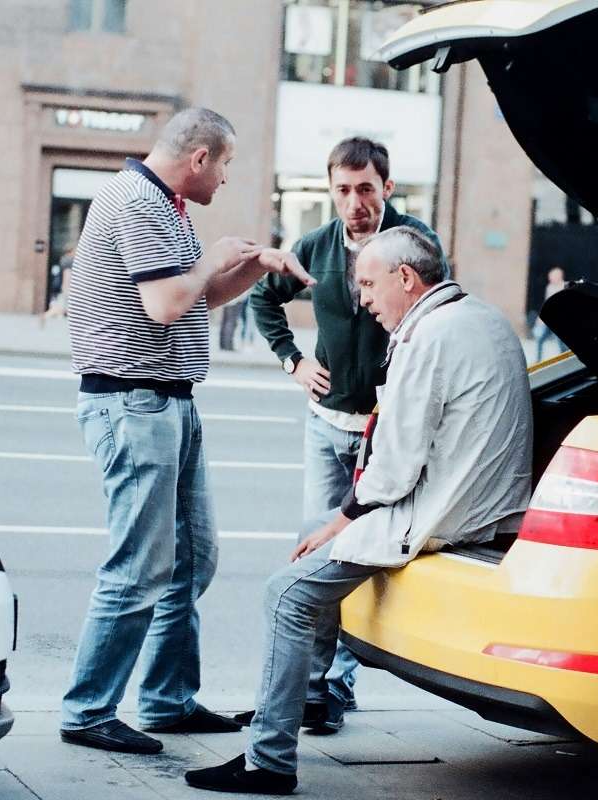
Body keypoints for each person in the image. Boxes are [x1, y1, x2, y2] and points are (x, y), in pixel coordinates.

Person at [185, 227, 533, 795]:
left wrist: (338, 523)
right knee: (308, 583)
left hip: (438, 515)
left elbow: (393, 469)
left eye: (369, 285)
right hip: (479, 507)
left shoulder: (430, 340)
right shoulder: (484, 318)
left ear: (406, 278)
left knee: (286, 594)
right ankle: (313, 699)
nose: (364, 299)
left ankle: (268, 761)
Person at [60, 107, 315, 756]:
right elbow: (167, 302)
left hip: (169, 402)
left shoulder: (164, 204)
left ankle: (166, 700)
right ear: (199, 157)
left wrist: (256, 265)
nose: (227, 178)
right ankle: (88, 710)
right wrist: (213, 259)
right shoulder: (137, 203)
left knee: (191, 559)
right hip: (133, 405)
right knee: (139, 566)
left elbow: (197, 298)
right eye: (226, 163)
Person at [247, 136, 447, 732]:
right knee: (317, 550)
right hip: (323, 426)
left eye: (365, 188)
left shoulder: (416, 246)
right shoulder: (315, 247)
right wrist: (293, 361)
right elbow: (263, 301)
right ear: (330, 191)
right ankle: (312, 689)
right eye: (342, 190)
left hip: (382, 434)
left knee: (355, 555)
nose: (354, 201)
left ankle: (335, 684)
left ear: (387, 186)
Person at [532, 266, 568, 361]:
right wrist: (540, 318)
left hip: (559, 319)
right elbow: (546, 303)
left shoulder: (564, 286)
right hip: (549, 319)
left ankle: (564, 360)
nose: (550, 279)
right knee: (540, 339)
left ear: (559, 276)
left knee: (561, 342)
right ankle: (538, 360)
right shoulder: (550, 287)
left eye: (552, 276)